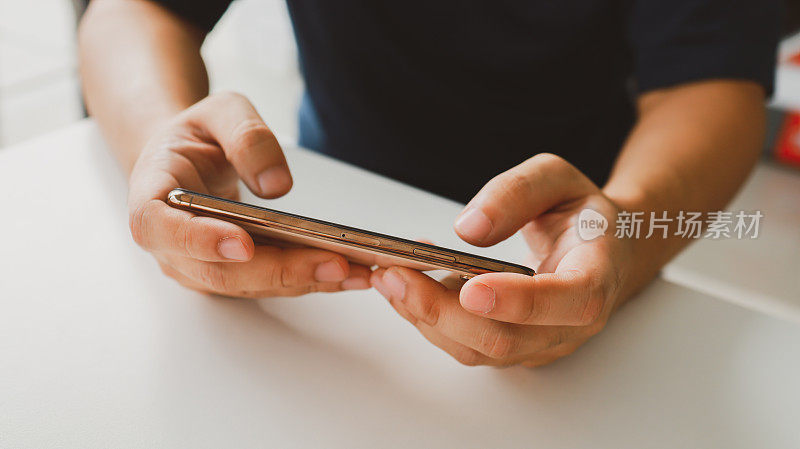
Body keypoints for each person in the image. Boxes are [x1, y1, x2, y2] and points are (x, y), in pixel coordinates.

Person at [77, 0, 781, 367]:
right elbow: (136, 8)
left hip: (570, 217)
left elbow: (711, 86)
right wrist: (157, 136)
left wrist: (622, 229)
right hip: (324, 193)